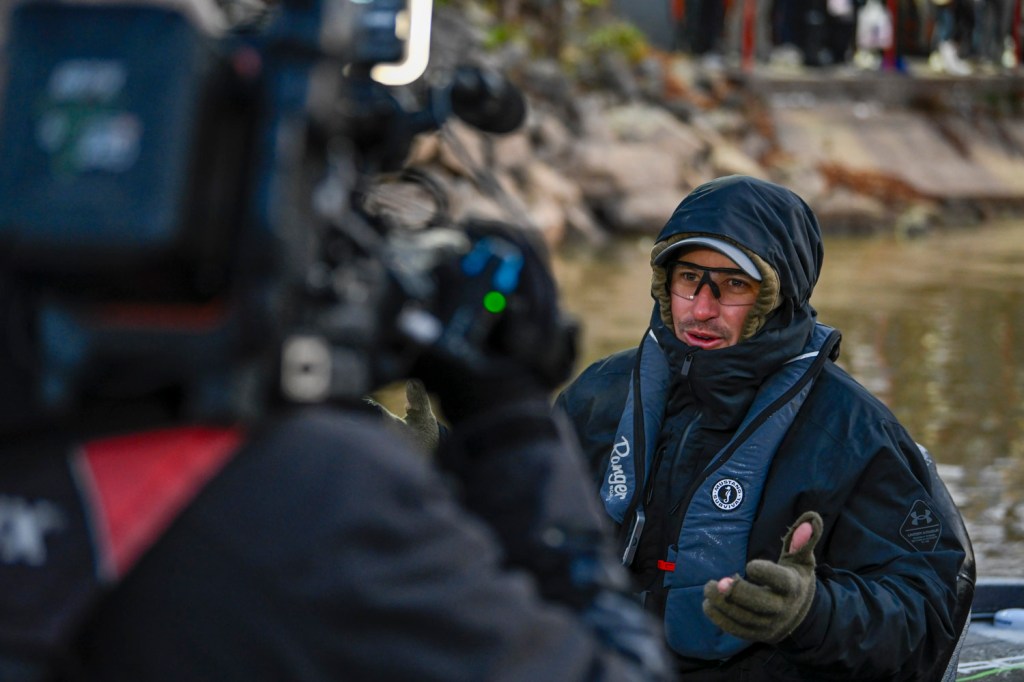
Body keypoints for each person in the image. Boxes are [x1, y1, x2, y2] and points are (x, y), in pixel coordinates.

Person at [554, 175, 975, 680]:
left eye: (734, 284)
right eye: (688, 278)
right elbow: (507, 523)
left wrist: (811, 612)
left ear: (779, 297)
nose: (702, 308)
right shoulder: (597, 394)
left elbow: (926, 611)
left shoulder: (852, 432)